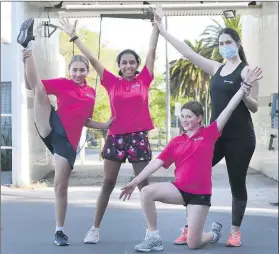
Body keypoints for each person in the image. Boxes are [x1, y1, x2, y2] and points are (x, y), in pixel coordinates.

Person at [151, 6, 262, 247]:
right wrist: (162, 30)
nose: (224, 46)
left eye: (228, 42)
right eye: (221, 43)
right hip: (215, 136)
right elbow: (188, 53)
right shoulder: (216, 68)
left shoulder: (248, 71)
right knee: (190, 175)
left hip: (241, 138)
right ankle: (189, 226)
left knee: (237, 183)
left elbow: (254, 107)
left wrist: (244, 90)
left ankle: (234, 230)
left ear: (237, 43)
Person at [119, 65, 262, 252]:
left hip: (199, 196)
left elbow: (229, 108)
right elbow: (157, 163)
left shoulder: (210, 133)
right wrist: (135, 181)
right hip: (178, 190)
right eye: (182, 117)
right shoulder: (176, 141)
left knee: (194, 244)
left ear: (199, 118)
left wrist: (244, 87)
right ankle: (153, 237)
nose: (185, 120)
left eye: (189, 116)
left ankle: (213, 234)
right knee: (146, 192)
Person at [57, 17, 159, 244]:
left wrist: (156, 27)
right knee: (108, 184)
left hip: (139, 137)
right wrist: (74, 36)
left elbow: (152, 50)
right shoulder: (111, 82)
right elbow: (92, 59)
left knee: (144, 185)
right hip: (116, 138)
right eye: (124, 63)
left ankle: (152, 232)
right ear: (119, 66)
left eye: (132, 62)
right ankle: (94, 228)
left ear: (137, 64)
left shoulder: (144, 79)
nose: (129, 66)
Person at [18, 18, 113, 246]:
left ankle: (59, 230)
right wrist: (25, 63)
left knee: (61, 185)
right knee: (40, 88)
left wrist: (104, 125)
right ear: (69, 70)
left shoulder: (91, 92)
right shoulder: (62, 83)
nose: (78, 73)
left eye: (82, 70)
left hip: (69, 142)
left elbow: (84, 120)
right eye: (75, 69)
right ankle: (26, 47)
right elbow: (31, 86)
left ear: (87, 72)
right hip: (52, 126)